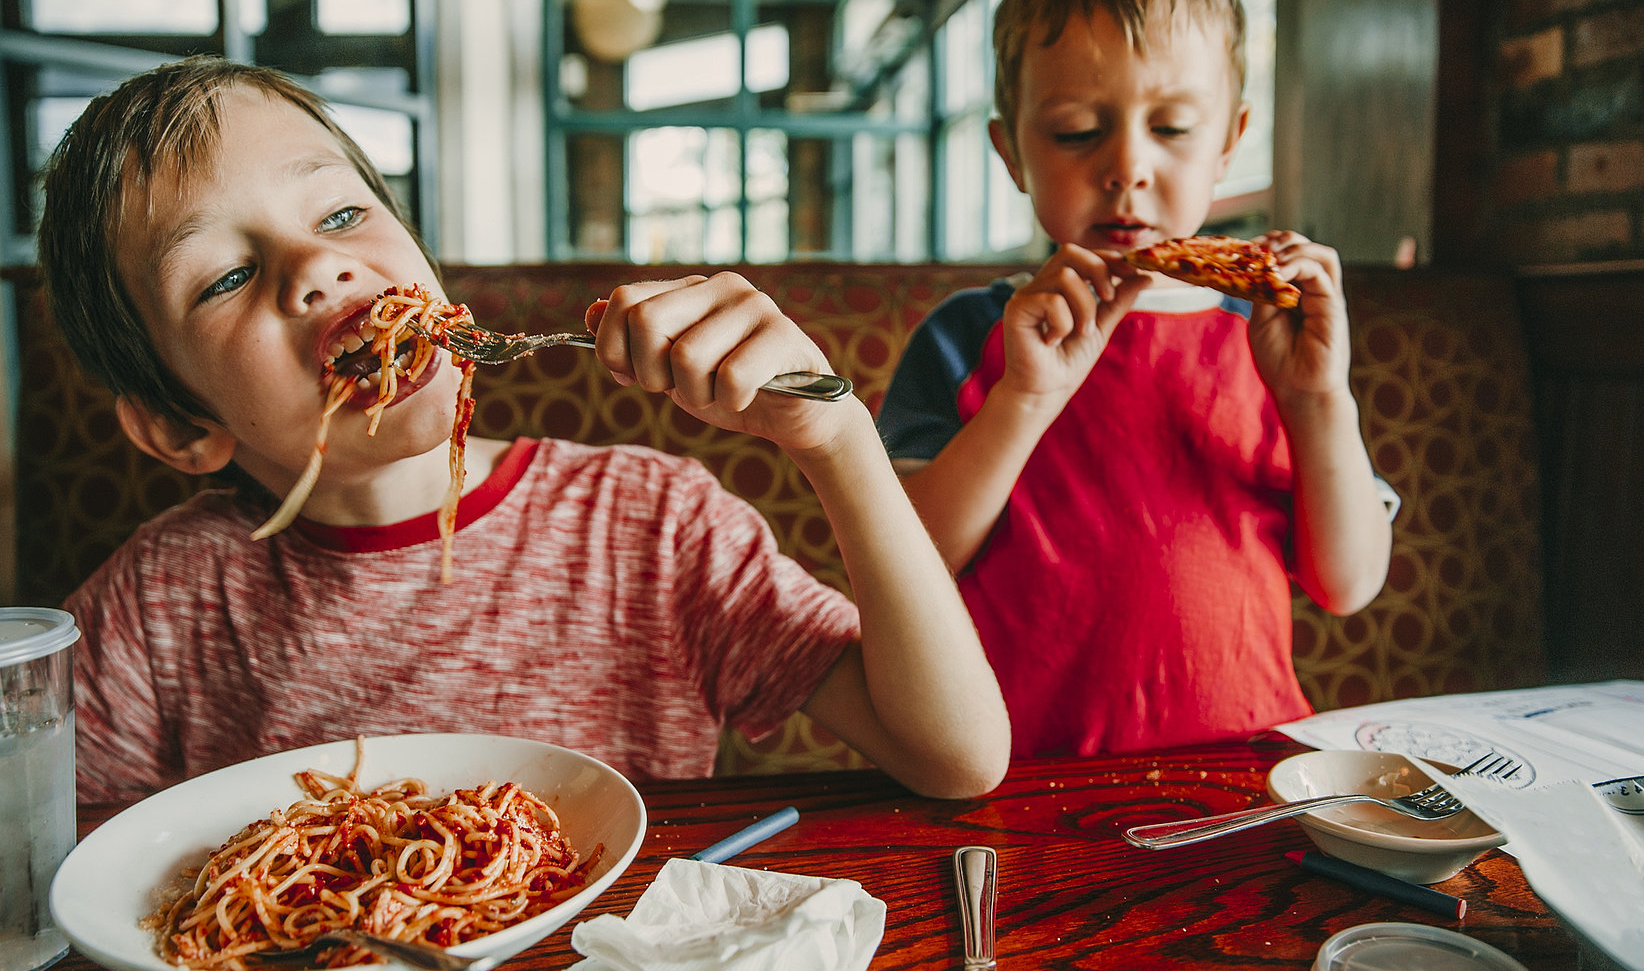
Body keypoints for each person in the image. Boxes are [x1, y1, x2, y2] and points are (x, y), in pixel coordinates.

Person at [40, 55, 1009, 805]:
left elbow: (955, 755)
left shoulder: (647, 523)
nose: (316, 266)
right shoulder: (160, 605)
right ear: (177, 428)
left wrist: (836, 437)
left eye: (341, 211)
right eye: (223, 276)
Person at [876, 0, 1394, 758]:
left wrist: (1317, 401)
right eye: (1077, 130)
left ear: (1228, 141)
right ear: (1011, 152)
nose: (1126, 166)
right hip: (1014, 772)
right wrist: (1023, 399)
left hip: (1245, 769)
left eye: (1174, 128)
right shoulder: (969, 337)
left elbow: (1349, 583)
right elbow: (906, 567)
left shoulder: (1272, 344)